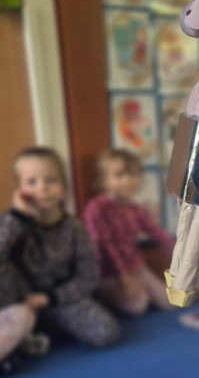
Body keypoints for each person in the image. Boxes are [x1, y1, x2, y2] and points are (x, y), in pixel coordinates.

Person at [0, 147, 120, 352]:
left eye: (51, 180)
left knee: (106, 332)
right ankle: (26, 335)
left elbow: (89, 276)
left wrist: (51, 298)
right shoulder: (12, 222)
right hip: (17, 304)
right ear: (19, 189)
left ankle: (42, 330)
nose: (43, 188)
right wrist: (18, 218)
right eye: (32, 182)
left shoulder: (74, 228)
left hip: (58, 300)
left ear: (64, 186)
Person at [83, 150, 199, 331]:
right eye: (119, 175)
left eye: (132, 175)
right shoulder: (96, 208)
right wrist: (124, 279)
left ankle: (139, 290)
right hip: (110, 272)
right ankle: (108, 294)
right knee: (138, 307)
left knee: (169, 303)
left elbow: (159, 235)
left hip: (135, 267)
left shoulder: (135, 209)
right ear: (104, 180)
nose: (127, 180)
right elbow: (105, 246)